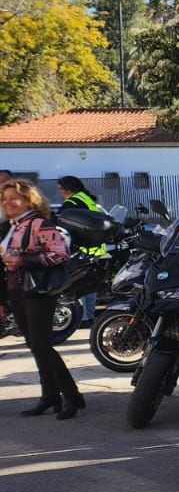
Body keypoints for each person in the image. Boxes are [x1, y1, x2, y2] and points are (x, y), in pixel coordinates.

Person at [1, 179, 83, 420]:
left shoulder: (40, 224)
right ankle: (50, 396)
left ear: (29, 199)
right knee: (35, 346)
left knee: (42, 346)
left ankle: (71, 395)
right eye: (4, 198)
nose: (7, 202)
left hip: (38, 292)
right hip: (17, 291)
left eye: (13, 197)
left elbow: (60, 254)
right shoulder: (12, 226)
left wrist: (24, 260)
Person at [54, 176, 107, 257]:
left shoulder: (72, 202)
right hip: (96, 247)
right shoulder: (84, 198)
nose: (59, 192)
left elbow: (58, 222)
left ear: (68, 189)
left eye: (60, 188)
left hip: (83, 251)